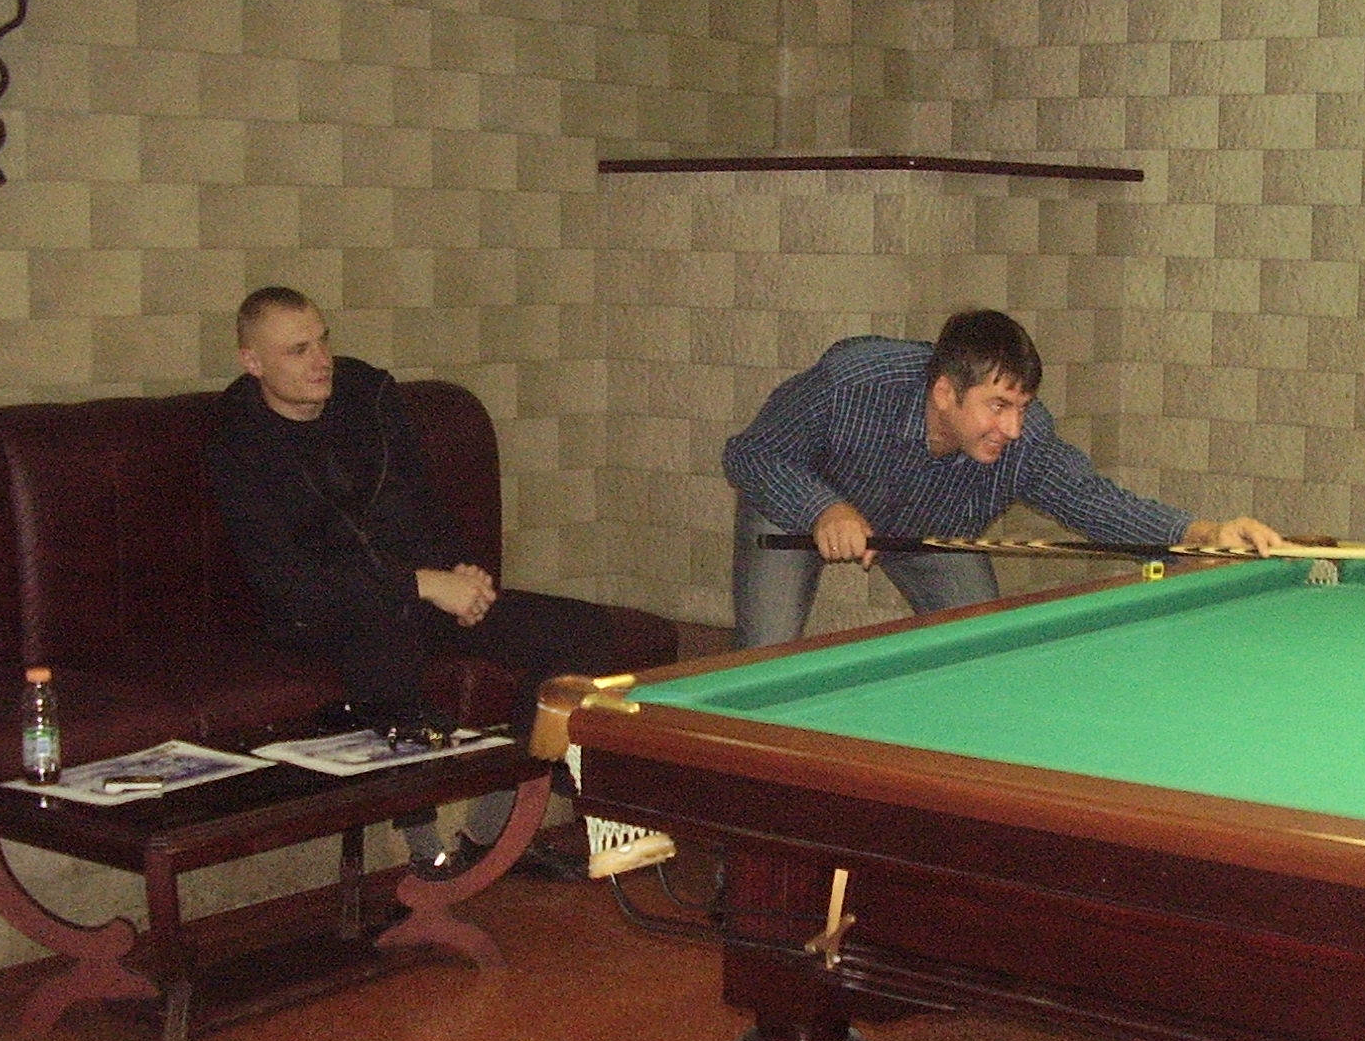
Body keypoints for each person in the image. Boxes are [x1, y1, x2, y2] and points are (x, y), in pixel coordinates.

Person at [207, 286, 630, 875]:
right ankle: (424, 853)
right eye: (298, 351)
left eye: (323, 341)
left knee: (584, 633)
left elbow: (423, 505)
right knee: (386, 643)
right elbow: (292, 583)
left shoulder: (368, 397)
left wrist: (461, 574)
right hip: (324, 615)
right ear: (252, 361)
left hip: (422, 590)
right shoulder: (238, 440)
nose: (321, 361)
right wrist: (419, 585)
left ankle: (501, 826)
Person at [723, 309, 1284, 649]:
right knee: (764, 653)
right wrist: (824, 509)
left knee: (981, 646)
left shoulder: (1025, 438)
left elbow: (1094, 502)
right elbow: (751, 455)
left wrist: (1204, 535)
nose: (1012, 428)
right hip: (797, 507)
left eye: (1022, 407)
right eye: (997, 406)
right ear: (945, 393)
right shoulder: (853, 381)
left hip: (926, 530)